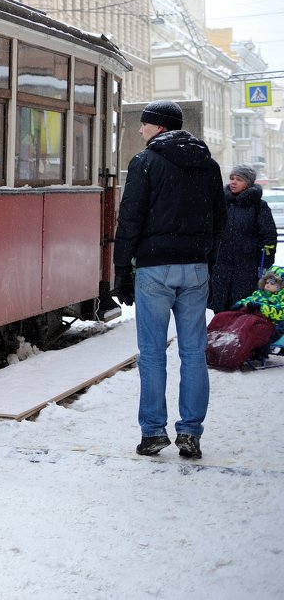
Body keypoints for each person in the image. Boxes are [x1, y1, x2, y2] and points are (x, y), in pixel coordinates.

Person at [113, 100, 225, 461]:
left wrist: (120, 270)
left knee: (152, 353)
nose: (140, 130)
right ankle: (190, 432)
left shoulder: (145, 163)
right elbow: (218, 219)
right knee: (194, 353)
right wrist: (206, 260)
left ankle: (153, 432)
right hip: (194, 268)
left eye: (144, 125)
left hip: (154, 270)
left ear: (159, 127)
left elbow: (129, 219)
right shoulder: (208, 165)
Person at [208, 164, 276, 312]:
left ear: (248, 183)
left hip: (247, 269)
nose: (233, 182)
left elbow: (269, 237)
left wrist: (265, 266)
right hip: (221, 269)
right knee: (220, 309)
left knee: (243, 309)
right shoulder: (221, 203)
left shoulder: (258, 206)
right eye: (232, 178)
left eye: (238, 179)